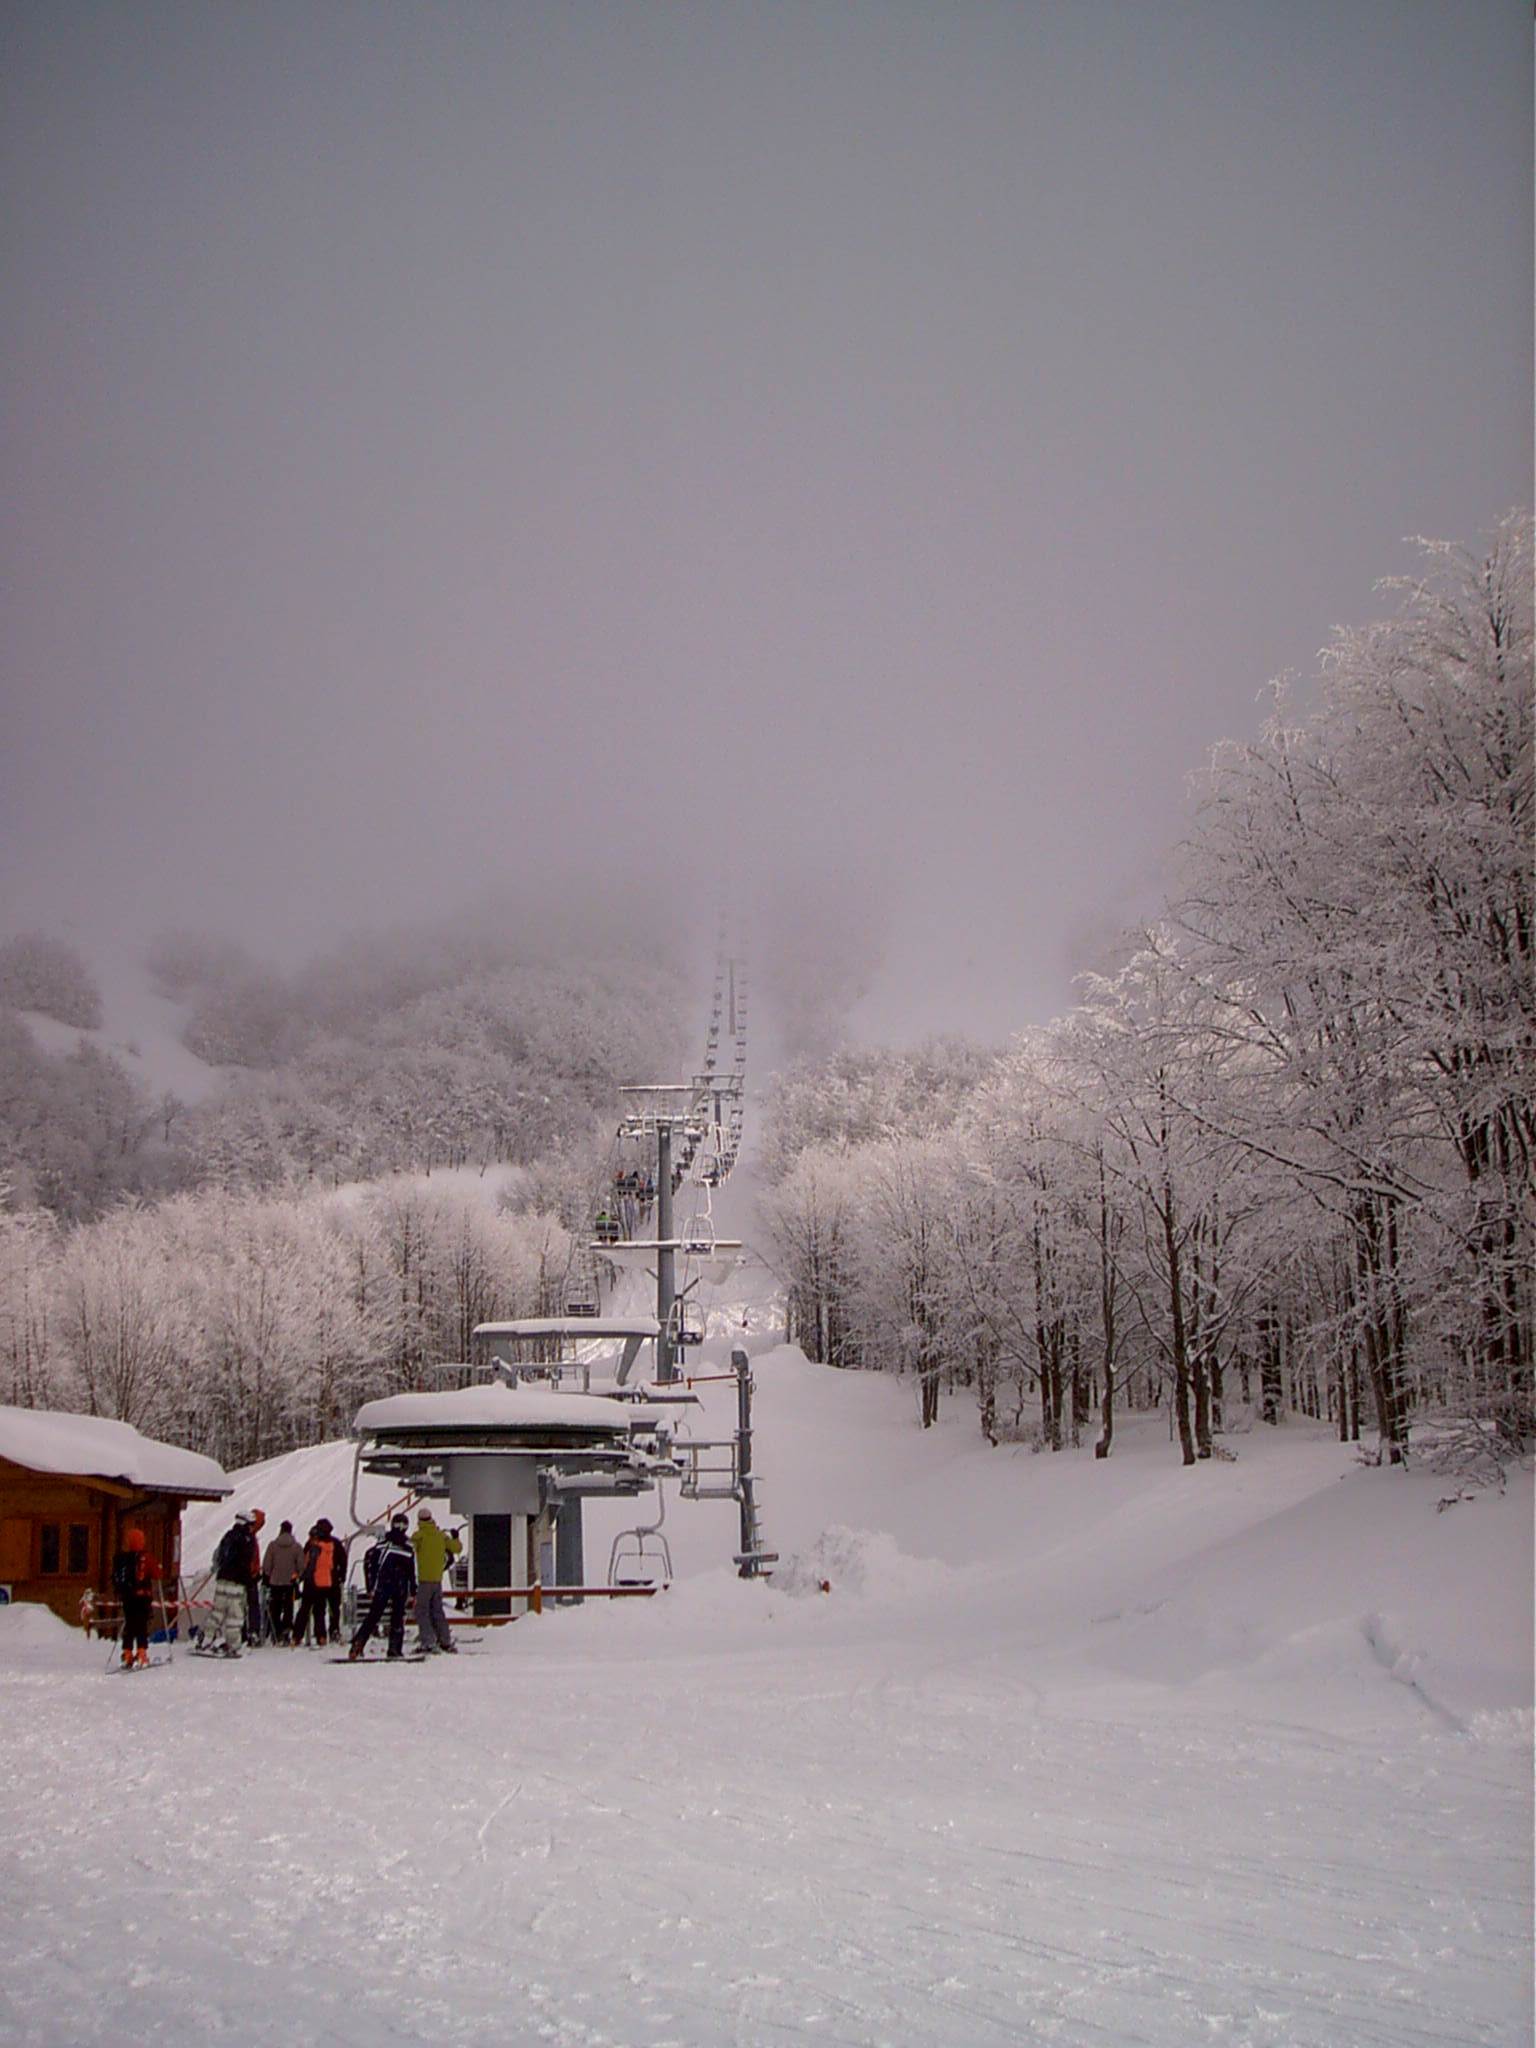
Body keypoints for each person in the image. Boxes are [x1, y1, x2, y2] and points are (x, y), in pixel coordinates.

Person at [349, 1515, 416, 1660]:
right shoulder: (407, 1549)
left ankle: (358, 1643)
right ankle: (394, 1649)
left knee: (373, 1616)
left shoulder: (380, 1547)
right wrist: (413, 1592)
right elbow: (411, 1573)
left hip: (383, 1586)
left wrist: (371, 1587)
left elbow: (371, 1567)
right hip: (400, 1587)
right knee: (397, 1618)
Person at [203, 1509, 262, 1657]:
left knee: (217, 1612)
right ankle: (233, 1644)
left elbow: (217, 1556)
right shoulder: (247, 1539)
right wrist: (249, 1580)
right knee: (235, 1616)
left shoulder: (228, 1536)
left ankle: (206, 1639)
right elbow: (245, 1563)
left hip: (222, 1580)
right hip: (237, 1583)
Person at [410, 1507, 462, 1655]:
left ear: (419, 1520)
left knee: (421, 1611)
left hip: (425, 1580)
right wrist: (455, 1537)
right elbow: (457, 1548)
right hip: (437, 1580)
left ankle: (428, 1641)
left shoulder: (419, 1536)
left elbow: (408, 1548)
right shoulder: (441, 1536)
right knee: (437, 1610)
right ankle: (445, 1640)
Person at [111, 1526, 161, 1669]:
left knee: (130, 1623)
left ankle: (127, 1653)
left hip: (127, 1598)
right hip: (142, 1598)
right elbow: (157, 1574)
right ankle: (141, 1653)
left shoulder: (123, 1559)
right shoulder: (145, 1558)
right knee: (141, 1625)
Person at [292, 1520, 335, 1647]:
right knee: (320, 1611)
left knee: (304, 1611)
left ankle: (297, 1636)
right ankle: (321, 1636)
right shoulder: (329, 1546)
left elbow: (310, 1566)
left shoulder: (315, 1548)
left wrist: (301, 1577)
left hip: (313, 1582)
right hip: (325, 1582)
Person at [262, 1518, 305, 1644]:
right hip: (290, 1583)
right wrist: (297, 1576)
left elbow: (266, 1565)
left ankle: (276, 1632)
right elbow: (301, 1566)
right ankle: (287, 1629)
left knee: (274, 1609)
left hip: (275, 1583)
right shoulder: (297, 1547)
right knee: (288, 1608)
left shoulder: (272, 1546)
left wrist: (268, 1576)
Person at [243, 1508, 267, 1644]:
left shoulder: (249, 1536)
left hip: (245, 1576)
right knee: (253, 1606)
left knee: (244, 1606)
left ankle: (245, 1632)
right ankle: (253, 1631)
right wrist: (255, 1572)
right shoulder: (250, 1538)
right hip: (250, 1577)